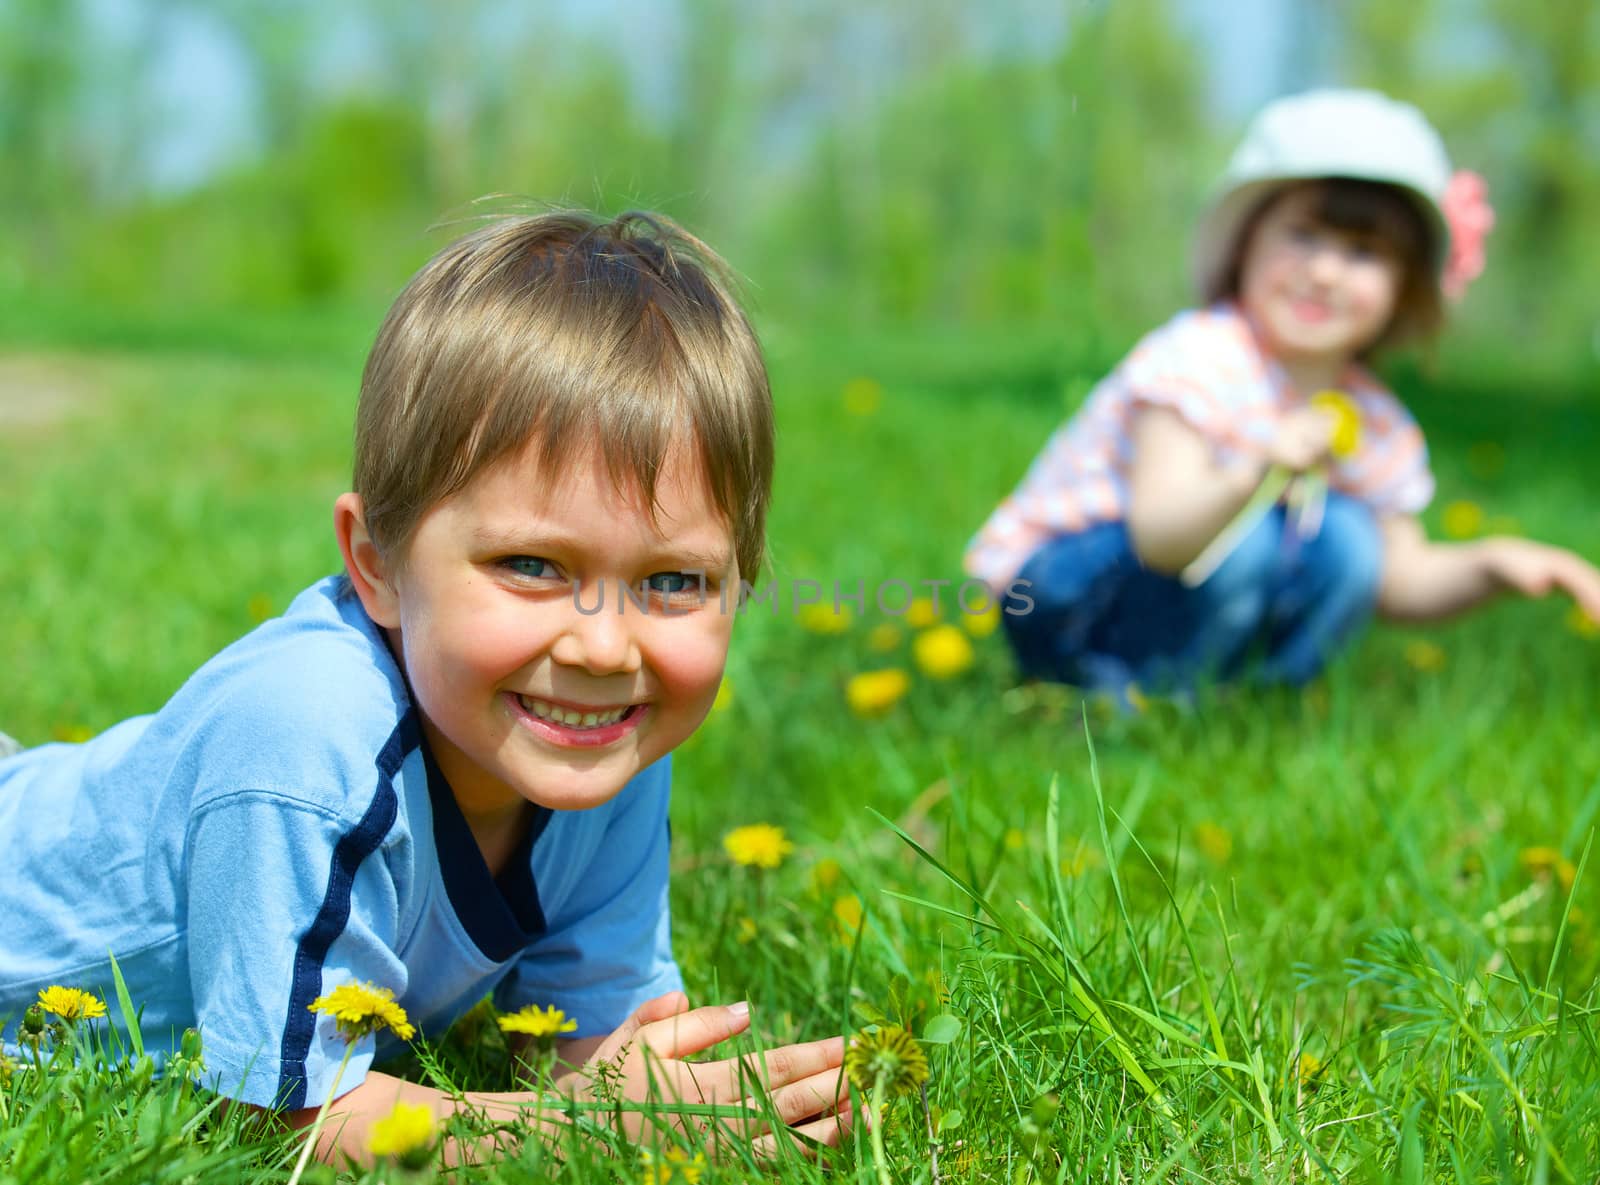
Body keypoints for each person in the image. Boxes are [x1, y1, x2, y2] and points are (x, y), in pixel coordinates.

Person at [0, 211, 849, 1164]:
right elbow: (280, 1120)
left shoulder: (605, 744)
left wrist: (688, 1112)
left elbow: (600, 1059)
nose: (608, 647)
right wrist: (584, 1132)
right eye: (531, 563)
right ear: (376, 563)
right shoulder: (307, 740)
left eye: (673, 581)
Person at [965, 88, 1600, 701]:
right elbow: (1160, 535)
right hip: (1069, 597)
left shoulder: (1372, 418)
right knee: (1253, 535)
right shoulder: (1200, 357)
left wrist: (1490, 565)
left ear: (1405, 289)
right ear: (1245, 246)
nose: (1324, 272)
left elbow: (1397, 579)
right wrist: (1255, 469)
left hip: (1199, 604)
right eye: (1303, 236)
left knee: (1353, 541)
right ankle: (1116, 695)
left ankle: (1246, 704)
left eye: (1363, 253)